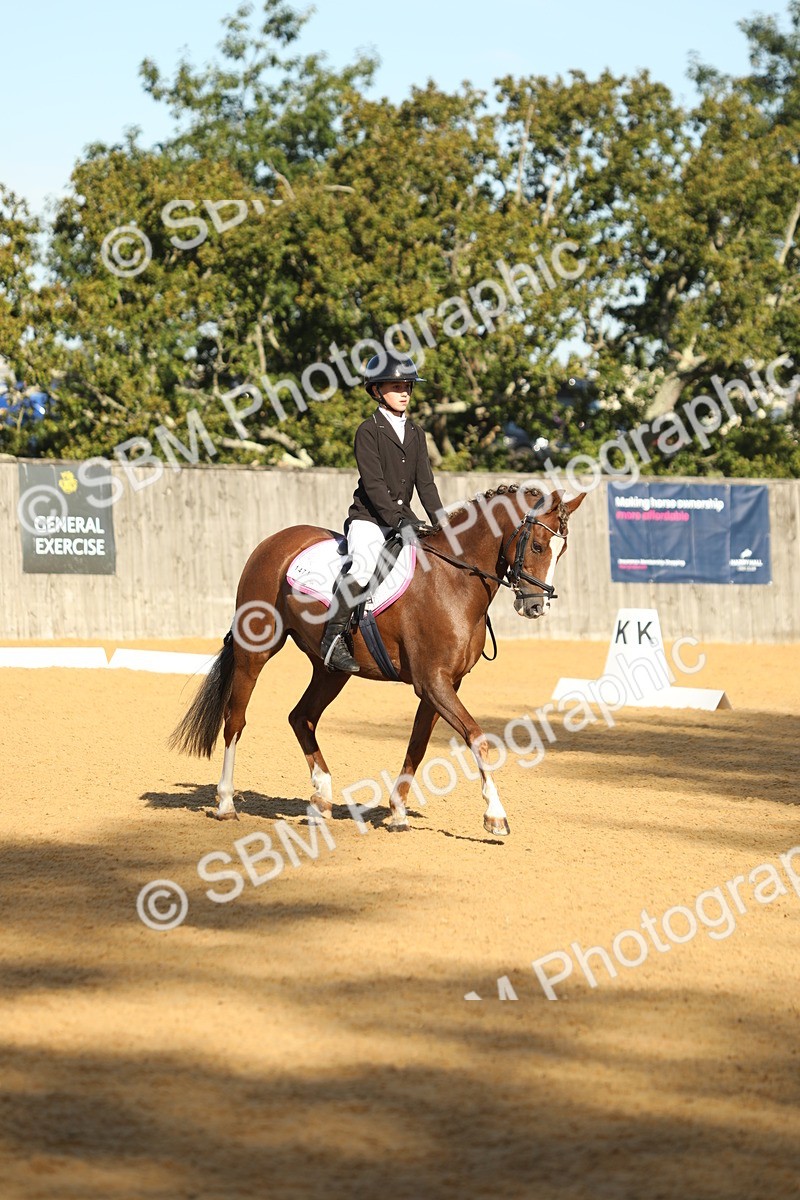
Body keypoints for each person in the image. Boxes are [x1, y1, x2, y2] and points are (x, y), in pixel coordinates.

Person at [320, 351, 444, 673]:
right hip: (370, 519)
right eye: (397, 385)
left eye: (408, 386)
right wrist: (400, 520)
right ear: (377, 390)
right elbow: (374, 485)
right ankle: (333, 640)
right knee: (362, 567)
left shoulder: (416, 433)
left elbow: (425, 485)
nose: (405, 392)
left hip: (404, 520)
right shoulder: (368, 430)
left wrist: (443, 524)